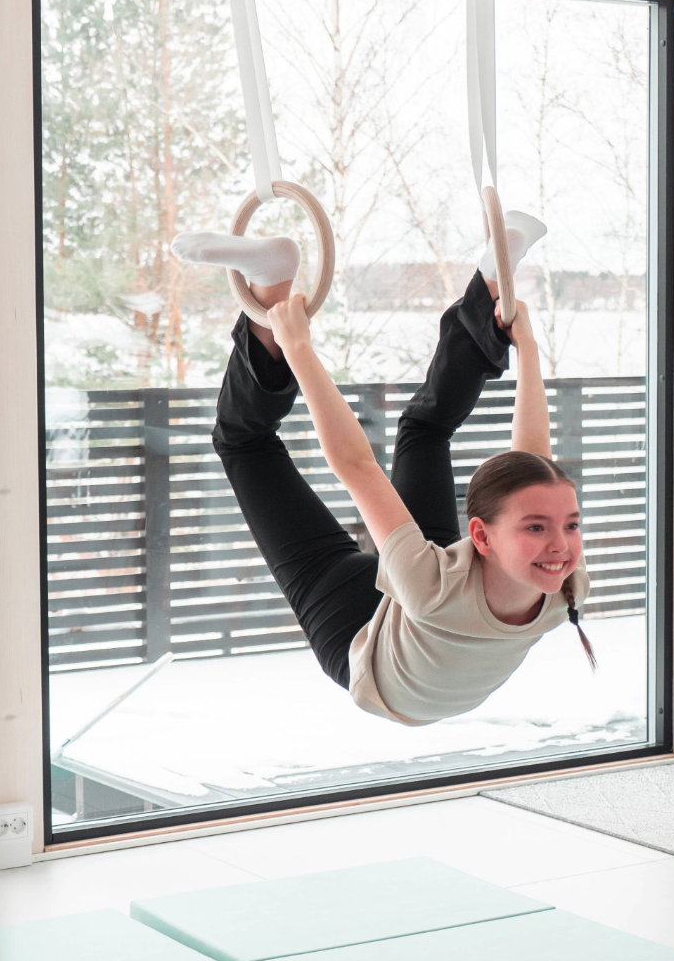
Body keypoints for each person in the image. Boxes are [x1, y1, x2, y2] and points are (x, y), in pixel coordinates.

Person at [181, 213, 593, 726]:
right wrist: (526, 347)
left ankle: (271, 286)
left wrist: (299, 348)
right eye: (550, 525)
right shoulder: (566, 582)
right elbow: (534, 464)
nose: (562, 545)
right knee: (424, 432)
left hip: (358, 641)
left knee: (247, 445)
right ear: (480, 537)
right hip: (429, 599)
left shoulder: (433, 587)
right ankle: (489, 276)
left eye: (565, 527)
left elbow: (356, 466)